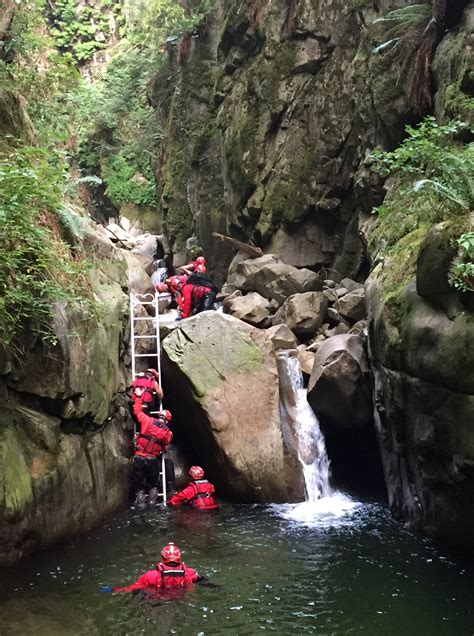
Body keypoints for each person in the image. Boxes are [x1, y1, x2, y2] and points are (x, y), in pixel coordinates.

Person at [132, 391, 172, 507]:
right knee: (153, 483)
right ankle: (152, 502)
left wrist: (139, 397)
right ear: (167, 421)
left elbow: (137, 411)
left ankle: (140, 502)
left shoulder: (147, 420)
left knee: (139, 482)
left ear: (159, 416)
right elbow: (165, 445)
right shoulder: (167, 433)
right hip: (152, 459)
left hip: (139, 457)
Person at [111, 542, 200, 592]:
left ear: (162, 558)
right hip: (181, 598)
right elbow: (203, 581)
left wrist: (112, 589)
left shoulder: (150, 576)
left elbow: (132, 588)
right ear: (179, 558)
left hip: (158, 600)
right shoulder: (190, 573)